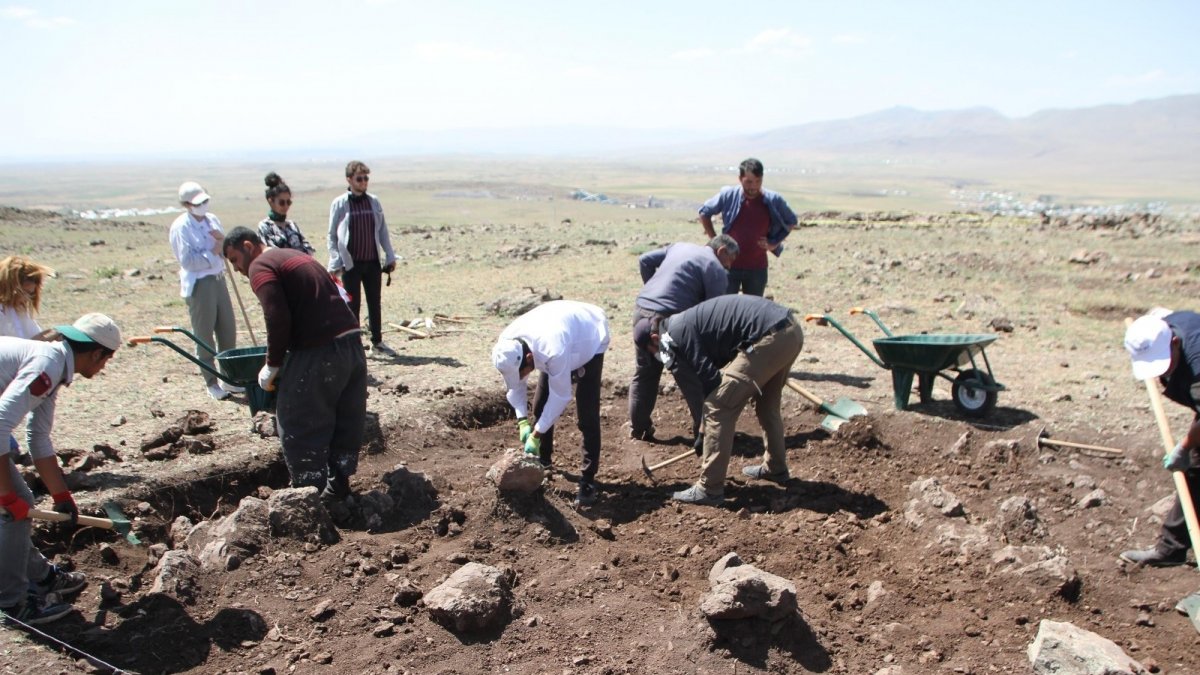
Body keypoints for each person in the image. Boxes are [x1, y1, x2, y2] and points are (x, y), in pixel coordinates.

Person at [223, 228, 367, 499]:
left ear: (247, 246)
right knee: (343, 416)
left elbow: (276, 316)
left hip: (319, 349)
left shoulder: (261, 265)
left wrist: (272, 363)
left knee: (296, 417)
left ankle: (308, 496)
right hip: (352, 345)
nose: (238, 269)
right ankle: (339, 488)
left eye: (234, 260)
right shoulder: (296, 256)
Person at [0, 313, 121, 625]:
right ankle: (12, 604)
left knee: (21, 501)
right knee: (16, 507)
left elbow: (37, 437)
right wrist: (4, 496)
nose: (103, 368)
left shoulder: (55, 364)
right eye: (106, 360)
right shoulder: (48, 364)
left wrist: (61, 494)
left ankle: (41, 577)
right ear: (96, 353)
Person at [634, 294, 803, 505]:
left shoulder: (673, 335)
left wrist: (704, 430)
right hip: (789, 331)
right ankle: (776, 467)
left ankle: (709, 489)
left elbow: (711, 381)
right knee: (766, 404)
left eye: (653, 352)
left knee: (718, 406)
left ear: (654, 339)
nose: (657, 356)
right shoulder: (681, 324)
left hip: (768, 337)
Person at [491, 301, 610, 506]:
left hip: (589, 335)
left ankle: (588, 480)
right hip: (558, 328)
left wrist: (536, 433)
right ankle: (543, 462)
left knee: (586, 414)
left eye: (524, 371)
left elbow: (561, 396)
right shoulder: (507, 345)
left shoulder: (553, 350)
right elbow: (516, 385)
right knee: (539, 406)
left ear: (529, 358)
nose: (521, 376)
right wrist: (522, 421)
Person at [629, 235, 738, 442]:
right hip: (668, 322)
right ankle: (706, 431)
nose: (730, 266)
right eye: (731, 259)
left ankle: (639, 427)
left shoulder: (679, 247)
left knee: (645, 373)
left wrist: (654, 292)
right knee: (688, 375)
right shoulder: (715, 268)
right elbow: (713, 312)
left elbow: (644, 260)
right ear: (721, 250)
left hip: (642, 312)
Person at [1120, 311, 1200, 566]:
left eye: (1165, 362)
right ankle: (1171, 549)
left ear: (1175, 343)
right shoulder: (1164, 325)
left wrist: (1184, 446)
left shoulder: (1197, 364)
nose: (1161, 373)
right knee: (1196, 470)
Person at [169, 181, 241, 400]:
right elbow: (188, 260)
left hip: (219, 279)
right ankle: (211, 382)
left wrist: (223, 247)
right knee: (205, 334)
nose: (203, 205)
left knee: (227, 328)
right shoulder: (182, 227)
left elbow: (222, 246)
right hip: (200, 284)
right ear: (187, 204)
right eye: (198, 203)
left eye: (205, 201)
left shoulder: (212, 220)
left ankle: (230, 378)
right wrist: (214, 251)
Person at [698, 158, 799, 297]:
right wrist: (714, 239)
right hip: (728, 266)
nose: (754, 186)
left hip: (757, 267)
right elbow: (704, 212)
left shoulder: (772, 199)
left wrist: (773, 243)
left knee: (752, 312)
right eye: (749, 182)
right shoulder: (729, 195)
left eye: (758, 181)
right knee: (725, 310)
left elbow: (791, 220)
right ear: (740, 179)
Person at [328, 161, 397, 356]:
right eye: (360, 178)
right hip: (351, 264)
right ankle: (354, 345)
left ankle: (377, 342)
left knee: (374, 302)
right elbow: (332, 235)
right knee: (352, 305)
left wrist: (389, 255)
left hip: (372, 261)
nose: (364, 182)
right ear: (349, 179)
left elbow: (382, 231)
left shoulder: (373, 202)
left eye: (366, 178)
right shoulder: (340, 203)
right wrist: (335, 261)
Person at [0, 256, 56, 458]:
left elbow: (31, 342)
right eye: (24, 292)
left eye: (30, 294)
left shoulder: (19, 311)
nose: (26, 298)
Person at [258, 172, 315, 254]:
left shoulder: (292, 225)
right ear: (271, 202)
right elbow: (272, 254)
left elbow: (307, 247)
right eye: (281, 203)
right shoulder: (265, 226)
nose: (286, 206)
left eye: (288, 202)